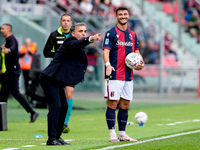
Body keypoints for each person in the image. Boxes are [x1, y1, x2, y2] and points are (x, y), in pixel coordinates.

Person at [39, 22, 101, 146]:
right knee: (55, 107)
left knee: (64, 106)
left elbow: (75, 63)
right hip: (49, 79)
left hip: (57, 81)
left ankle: (57, 136)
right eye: (80, 31)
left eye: (85, 32)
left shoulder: (78, 46)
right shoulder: (70, 41)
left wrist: (79, 75)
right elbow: (76, 43)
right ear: (73, 33)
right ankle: (51, 139)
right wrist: (89, 39)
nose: (83, 33)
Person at [102, 6, 144, 142]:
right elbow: (106, 51)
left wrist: (140, 61)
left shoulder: (132, 34)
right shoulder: (111, 33)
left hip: (128, 75)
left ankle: (122, 134)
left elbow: (136, 51)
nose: (123, 16)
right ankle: (112, 134)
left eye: (125, 14)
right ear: (116, 16)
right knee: (113, 103)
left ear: (128, 16)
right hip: (115, 74)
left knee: (125, 104)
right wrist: (108, 65)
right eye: (120, 14)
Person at [0, 23, 39, 123]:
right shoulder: (8, 40)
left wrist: (8, 50)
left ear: (8, 29)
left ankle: (32, 112)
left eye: (3, 28)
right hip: (9, 70)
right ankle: (2, 119)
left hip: (13, 71)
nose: (1, 30)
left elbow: (12, 48)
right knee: (3, 95)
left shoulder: (11, 39)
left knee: (15, 93)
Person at [43, 13, 73, 133]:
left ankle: (65, 122)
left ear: (71, 23)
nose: (66, 22)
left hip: (70, 70)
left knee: (69, 94)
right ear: (60, 22)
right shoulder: (54, 35)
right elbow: (46, 52)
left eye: (68, 21)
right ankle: (57, 123)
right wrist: (59, 55)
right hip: (58, 71)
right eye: (64, 20)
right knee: (59, 99)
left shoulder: (74, 35)